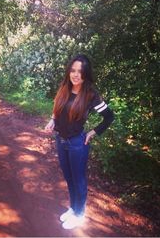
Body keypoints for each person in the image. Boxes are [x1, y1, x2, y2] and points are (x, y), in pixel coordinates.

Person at [45, 54, 114, 230]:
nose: (76, 75)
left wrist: (93, 132)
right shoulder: (64, 88)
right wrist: (53, 120)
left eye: (80, 72)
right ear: (69, 71)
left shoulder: (91, 94)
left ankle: (80, 214)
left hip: (77, 144)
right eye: (73, 70)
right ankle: (73, 208)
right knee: (69, 178)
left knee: (79, 180)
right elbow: (57, 110)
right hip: (61, 141)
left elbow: (109, 117)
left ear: (86, 74)